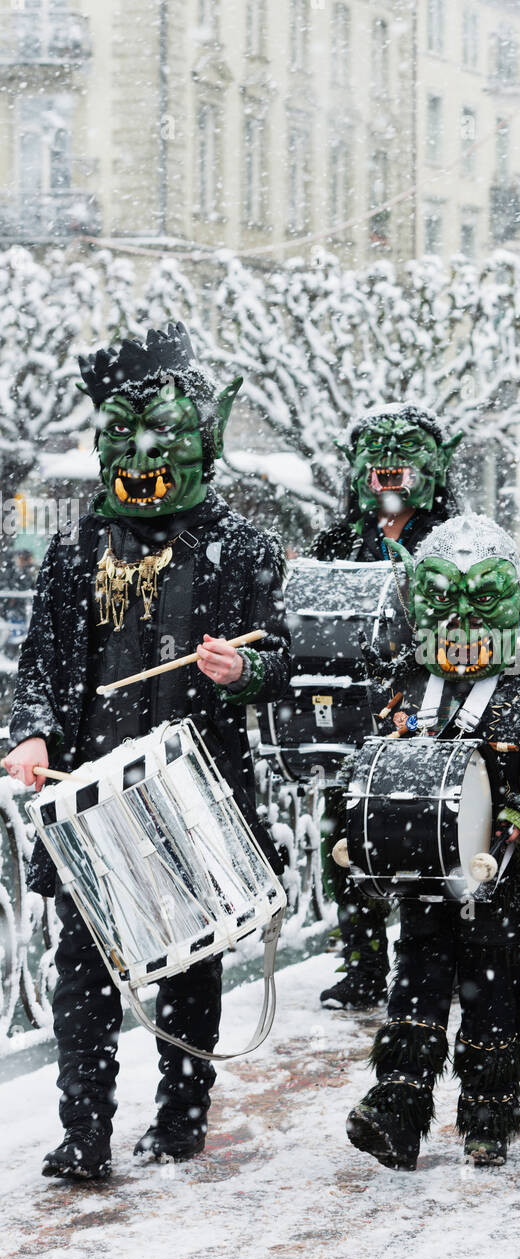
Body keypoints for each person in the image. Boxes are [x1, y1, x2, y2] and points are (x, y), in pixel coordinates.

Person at [3, 322, 291, 1180]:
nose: (137, 457)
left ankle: (179, 1117)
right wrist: (30, 732)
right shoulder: (71, 550)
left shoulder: (241, 547)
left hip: (193, 791)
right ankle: (83, 1133)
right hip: (89, 788)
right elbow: (40, 663)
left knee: (189, 963)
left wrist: (246, 667)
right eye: (120, 440)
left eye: (158, 438)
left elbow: (283, 657)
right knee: (82, 968)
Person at [343, 514, 520, 1169]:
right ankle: (396, 1110)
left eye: (480, 600)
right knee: (414, 987)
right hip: (423, 874)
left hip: (498, 876)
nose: (460, 619)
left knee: (493, 996)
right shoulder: (406, 682)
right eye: (443, 600)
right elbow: (370, 760)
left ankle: (487, 1118)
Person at [311, 403, 463, 1010]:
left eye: (406, 449)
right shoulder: (335, 541)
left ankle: (429, 966)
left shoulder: (456, 539)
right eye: (375, 448)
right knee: (343, 841)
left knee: (426, 837)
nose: (389, 461)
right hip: (347, 709)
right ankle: (362, 963)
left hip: (427, 707)